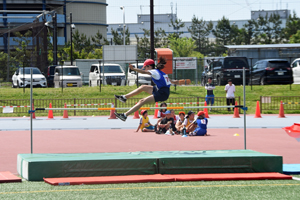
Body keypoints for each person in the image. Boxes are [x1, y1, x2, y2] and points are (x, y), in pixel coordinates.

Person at [114, 57, 178, 121]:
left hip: (162, 93)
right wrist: (176, 82)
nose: (145, 69)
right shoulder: (160, 72)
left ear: (149, 66)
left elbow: (143, 72)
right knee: (143, 87)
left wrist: (134, 69)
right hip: (161, 90)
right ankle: (124, 97)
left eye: (145, 67)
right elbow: (169, 80)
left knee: (142, 101)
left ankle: (125, 115)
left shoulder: (154, 71)